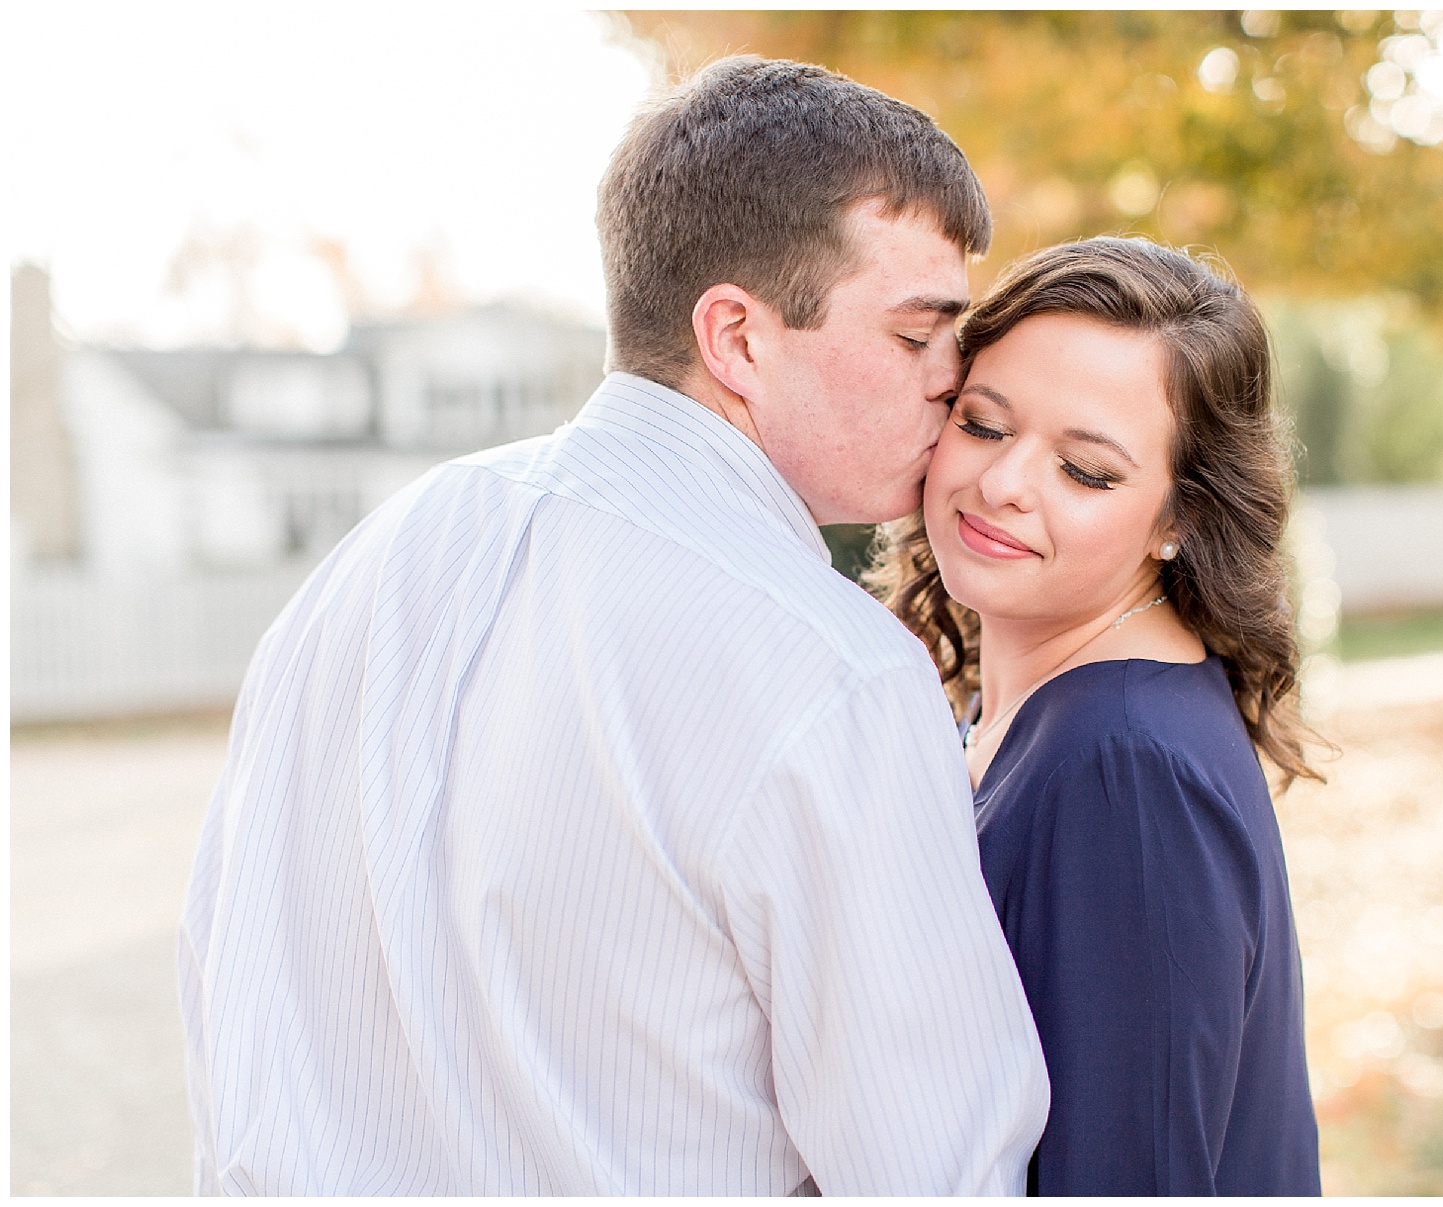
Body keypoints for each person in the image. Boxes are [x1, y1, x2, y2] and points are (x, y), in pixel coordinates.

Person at [178, 56, 1050, 1196]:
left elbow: (223, 994)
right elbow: (936, 1173)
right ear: (736, 337)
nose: (956, 382)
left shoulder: (368, 566)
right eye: (913, 335)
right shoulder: (833, 671)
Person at [871, 237, 1322, 1195]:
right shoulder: (1043, 708)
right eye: (985, 424)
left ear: (1179, 521)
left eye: (1087, 470)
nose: (1005, 483)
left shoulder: (1121, 765)